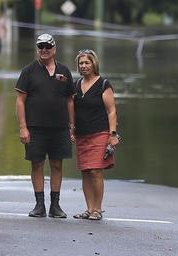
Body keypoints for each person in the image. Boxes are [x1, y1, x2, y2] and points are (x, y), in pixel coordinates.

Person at [16, 33, 75, 217]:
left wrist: (72, 126)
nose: (43, 50)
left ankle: (55, 206)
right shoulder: (28, 71)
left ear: (54, 49)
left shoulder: (64, 71)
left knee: (57, 165)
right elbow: (20, 101)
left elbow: (70, 100)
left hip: (60, 128)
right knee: (37, 164)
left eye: (47, 47)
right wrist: (23, 127)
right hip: (35, 128)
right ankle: (39, 205)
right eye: (40, 47)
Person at [72, 48, 119, 220]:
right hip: (81, 135)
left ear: (94, 64)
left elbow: (111, 111)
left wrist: (112, 134)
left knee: (95, 172)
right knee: (85, 171)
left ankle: (97, 209)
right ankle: (89, 208)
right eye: (81, 63)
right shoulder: (76, 85)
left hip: (100, 133)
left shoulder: (103, 84)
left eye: (87, 62)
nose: (84, 66)